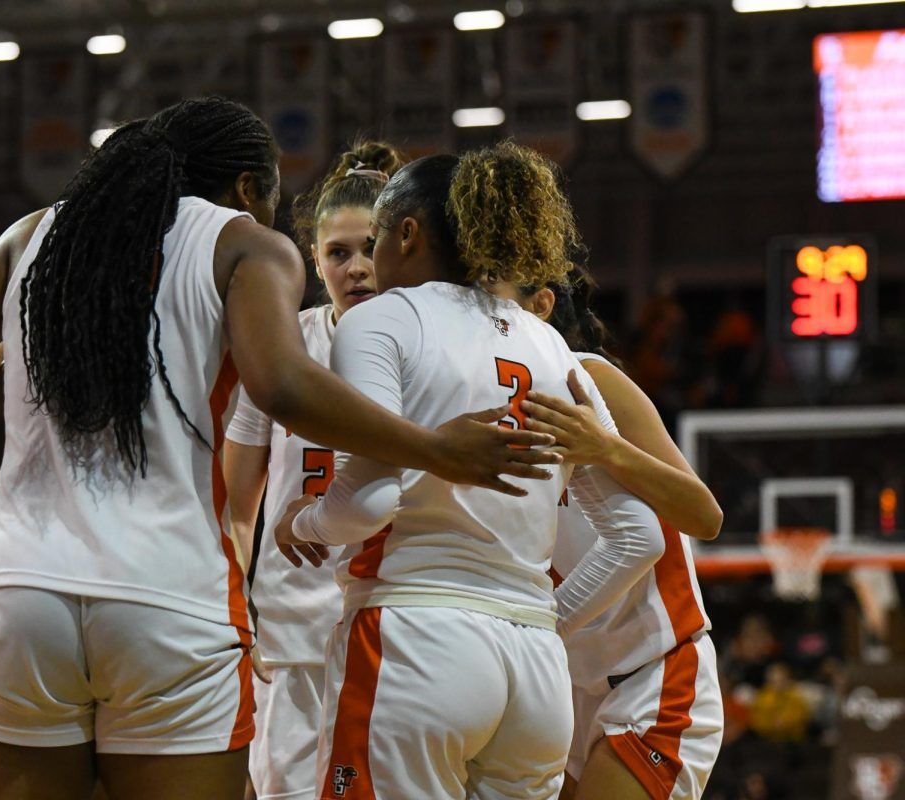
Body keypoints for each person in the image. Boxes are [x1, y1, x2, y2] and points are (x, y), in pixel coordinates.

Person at [0, 97, 560, 800]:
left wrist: (3, 367)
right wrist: (433, 448)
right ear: (245, 189)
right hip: (167, 597)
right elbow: (285, 390)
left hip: (20, 594)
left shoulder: (38, 237)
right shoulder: (241, 242)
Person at [275, 142, 664, 800]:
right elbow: (639, 535)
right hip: (535, 670)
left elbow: (370, 504)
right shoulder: (549, 344)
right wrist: (540, 616)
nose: (367, 263)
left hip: (415, 639)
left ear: (406, 233)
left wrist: (304, 520)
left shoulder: (380, 320)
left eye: (373, 242)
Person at [223, 140, 406, 800]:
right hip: (294, 631)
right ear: (314, 260)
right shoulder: (283, 346)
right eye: (338, 253)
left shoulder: (428, 344)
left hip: (398, 626)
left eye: (369, 249)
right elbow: (237, 502)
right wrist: (240, 613)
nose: (356, 268)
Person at [506, 270, 724, 800]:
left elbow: (705, 515)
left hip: (655, 672)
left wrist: (605, 448)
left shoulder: (590, 378)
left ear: (539, 305)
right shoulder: (487, 399)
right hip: (569, 685)